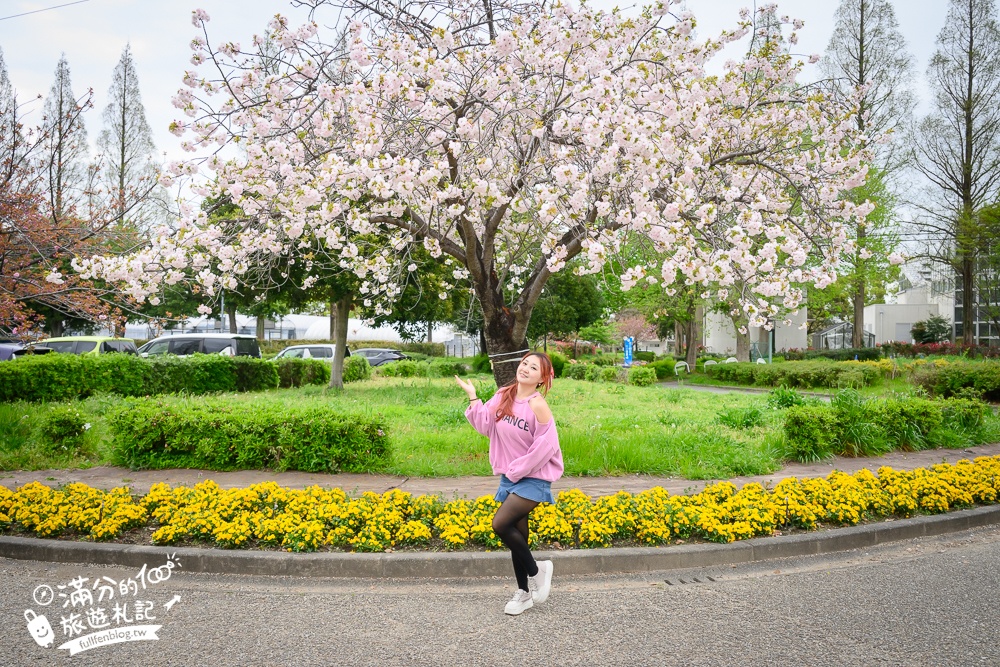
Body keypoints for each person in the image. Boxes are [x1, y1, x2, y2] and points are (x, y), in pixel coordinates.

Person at [455, 352, 564, 616]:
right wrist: (473, 396)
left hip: (533, 477)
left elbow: (546, 447)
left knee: (500, 524)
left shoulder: (538, 405)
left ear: (542, 378)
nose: (525, 368)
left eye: (533, 367)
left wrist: (519, 469)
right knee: (518, 538)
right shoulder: (505, 393)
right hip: (510, 476)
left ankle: (539, 572)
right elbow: (484, 424)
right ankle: (524, 594)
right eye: (524, 363)